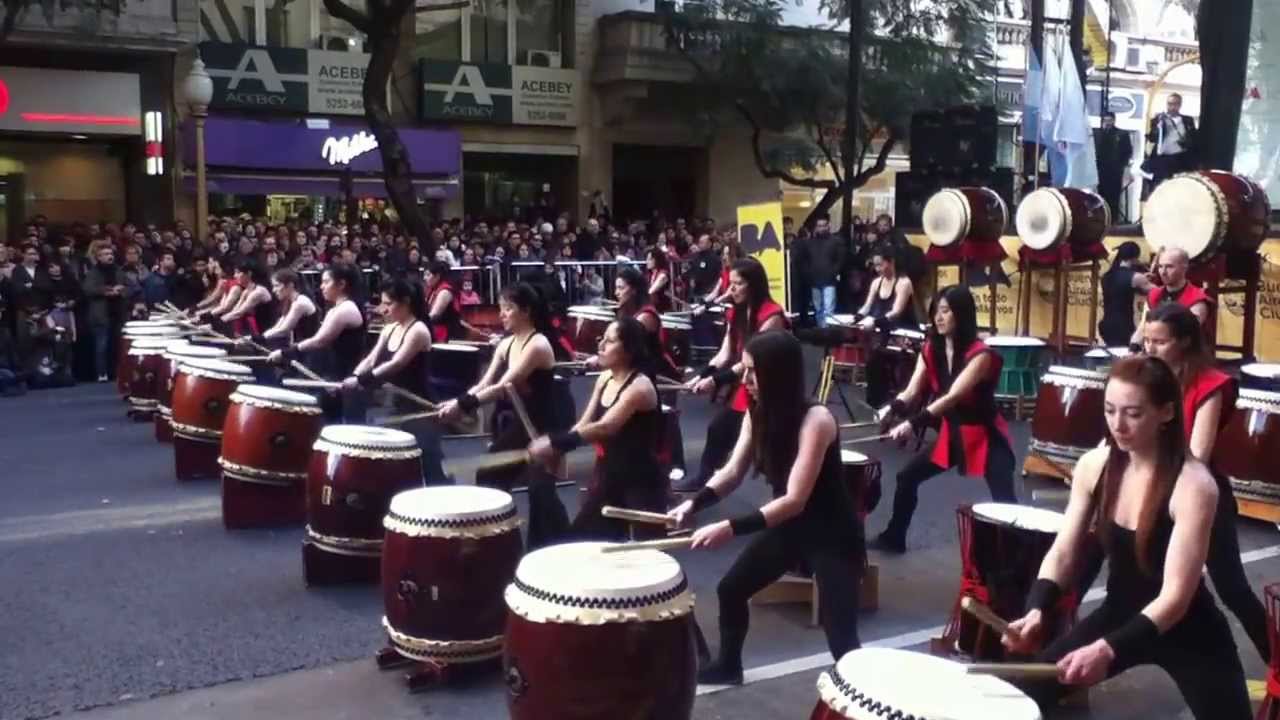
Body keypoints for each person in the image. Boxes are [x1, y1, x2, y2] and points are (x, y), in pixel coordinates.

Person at [1001, 356, 1249, 720]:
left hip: (1188, 626)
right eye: (1110, 410)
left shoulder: (1194, 485)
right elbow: (1065, 551)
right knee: (1020, 697)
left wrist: (1107, 649)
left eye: (1133, 413)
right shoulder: (1094, 465)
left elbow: (1176, 598)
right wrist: (1038, 607)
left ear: (1166, 412)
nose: (1119, 425)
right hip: (1118, 614)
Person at [669, 330, 863, 685]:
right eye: (743, 371)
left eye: (752, 372)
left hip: (831, 533)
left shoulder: (816, 420)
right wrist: (692, 504)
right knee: (732, 589)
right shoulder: (755, 412)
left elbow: (794, 499)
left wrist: (729, 528)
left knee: (842, 639)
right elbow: (731, 473)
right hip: (791, 528)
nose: (745, 380)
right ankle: (729, 666)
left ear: (778, 373)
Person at [1139, 303, 1267, 660]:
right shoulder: (1146, 377)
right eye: (1146, 340)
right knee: (1128, 575)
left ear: (1183, 342)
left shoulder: (1211, 383)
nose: (1150, 349)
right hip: (1152, 485)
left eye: (1159, 342)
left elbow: (1197, 454)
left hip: (1199, 493)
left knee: (1233, 589)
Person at [871, 285, 1017, 552]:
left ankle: (1020, 560)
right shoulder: (930, 349)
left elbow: (953, 397)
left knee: (1005, 503)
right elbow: (912, 390)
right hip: (955, 433)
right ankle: (894, 537)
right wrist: (891, 409)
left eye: (945, 311)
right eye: (936, 311)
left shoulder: (981, 354)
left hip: (986, 434)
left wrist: (911, 424)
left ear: (961, 314)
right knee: (907, 477)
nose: (938, 317)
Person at [529, 318, 664, 539]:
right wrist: (558, 450)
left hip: (640, 482)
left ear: (629, 350)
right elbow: (585, 424)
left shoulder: (640, 386)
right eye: (602, 339)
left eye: (609, 342)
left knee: (649, 557)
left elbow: (605, 427)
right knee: (578, 543)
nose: (600, 346)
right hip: (608, 476)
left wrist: (555, 442)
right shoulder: (605, 378)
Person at [438, 282, 573, 490]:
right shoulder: (506, 344)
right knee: (492, 476)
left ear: (526, 311)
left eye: (508, 308)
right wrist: (457, 401)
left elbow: (503, 386)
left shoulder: (538, 344)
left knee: (530, 486)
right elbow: (485, 383)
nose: (502, 314)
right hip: (523, 420)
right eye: (501, 308)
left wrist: (463, 405)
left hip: (546, 423)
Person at [678, 258, 788, 493]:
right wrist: (703, 374)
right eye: (731, 283)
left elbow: (751, 359)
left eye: (738, 284)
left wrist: (715, 381)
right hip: (748, 383)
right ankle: (705, 479)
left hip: (770, 386)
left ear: (754, 285)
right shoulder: (736, 313)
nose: (731, 290)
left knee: (772, 444)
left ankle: (787, 491)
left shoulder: (772, 315)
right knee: (720, 430)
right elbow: (726, 353)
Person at [341, 279, 449, 486]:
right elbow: (371, 359)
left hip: (420, 403)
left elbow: (396, 363)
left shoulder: (418, 330)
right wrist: (354, 377)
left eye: (388, 304)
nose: (383, 309)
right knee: (396, 460)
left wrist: (362, 380)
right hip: (397, 402)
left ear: (405, 302)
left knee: (428, 463)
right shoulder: (390, 329)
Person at [269, 263, 366, 421]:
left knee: (338, 424)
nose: (321, 287)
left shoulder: (346, 309)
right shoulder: (338, 308)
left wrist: (287, 352)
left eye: (326, 282)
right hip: (332, 373)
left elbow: (320, 340)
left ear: (341, 284)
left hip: (344, 375)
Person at [855, 244, 918, 406]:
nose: (877, 269)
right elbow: (867, 306)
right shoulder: (877, 282)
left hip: (903, 332)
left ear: (891, 262)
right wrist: (857, 317)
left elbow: (896, 312)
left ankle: (897, 401)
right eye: (875, 265)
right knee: (873, 361)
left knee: (889, 360)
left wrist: (874, 321)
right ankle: (876, 403)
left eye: (880, 264)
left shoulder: (904, 282)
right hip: (885, 330)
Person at [1130, 246, 1213, 347]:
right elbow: (1143, 327)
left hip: (1187, 358)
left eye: (1169, 267)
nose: (1163, 272)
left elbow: (1182, 336)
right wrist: (1133, 347)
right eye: (1160, 266)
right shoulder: (1154, 295)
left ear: (1184, 268)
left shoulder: (1197, 300)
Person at [1099, 242, 1153, 347]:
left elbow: (1120, 287)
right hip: (1124, 326)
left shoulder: (1106, 276)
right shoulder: (1135, 277)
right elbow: (1158, 292)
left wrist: (1142, 278)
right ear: (1135, 257)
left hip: (1106, 325)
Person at [1144, 93, 1198, 191]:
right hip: (1162, 159)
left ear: (1180, 105)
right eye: (1169, 104)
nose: (1172, 107)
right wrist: (1157, 126)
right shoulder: (1159, 119)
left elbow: (1193, 138)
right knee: (1159, 188)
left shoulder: (1187, 121)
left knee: (1178, 188)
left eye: (1175, 104)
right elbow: (1152, 138)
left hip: (1180, 159)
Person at [803, 215, 844, 328]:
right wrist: (809, 274)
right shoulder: (810, 243)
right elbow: (806, 260)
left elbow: (840, 259)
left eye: (823, 226)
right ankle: (822, 331)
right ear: (816, 227)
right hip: (814, 279)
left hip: (829, 279)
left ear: (828, 226)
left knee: (829, 308)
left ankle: (827, 332)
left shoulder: (836, 241)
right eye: (819, 226)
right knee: (818, 308)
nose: (821, 228)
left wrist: (834, 272)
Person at [215, 261, 274, 337]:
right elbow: (235, 310)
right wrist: (217, 320)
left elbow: (239, 312)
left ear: (249, 273)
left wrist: (218, 322)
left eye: (238, 272)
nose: (235, 276)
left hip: (266, 332)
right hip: (254, 330)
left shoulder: (258, 291)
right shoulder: (246, 291)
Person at [1094, 111, 1134, 221]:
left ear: (1114, 120)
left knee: (1114, 196)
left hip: (1115, 171)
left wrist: (1123, 166)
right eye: (1105, 120)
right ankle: (1100, 219)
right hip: (1099, 170)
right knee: (1098, 195)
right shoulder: (1096, 133)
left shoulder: (1122, 134)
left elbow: (1128, 151)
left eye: (1110, 120)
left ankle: (1113, 220)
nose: (1108, 123)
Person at [424, 260, 464, 343]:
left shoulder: (445, 291)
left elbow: (433, 316)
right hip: (435, 331)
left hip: (447, 335)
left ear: (437, 276)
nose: (424, 278)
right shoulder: (431, 290)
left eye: (428, 275)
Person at [646, 247, 673, 313]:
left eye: (650, 259)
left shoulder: (663, 274)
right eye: (647, 259)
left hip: (662, 309)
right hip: (652, 307)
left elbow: (651, 291)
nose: (647, 261)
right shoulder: (649, 274)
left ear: (657, 260)